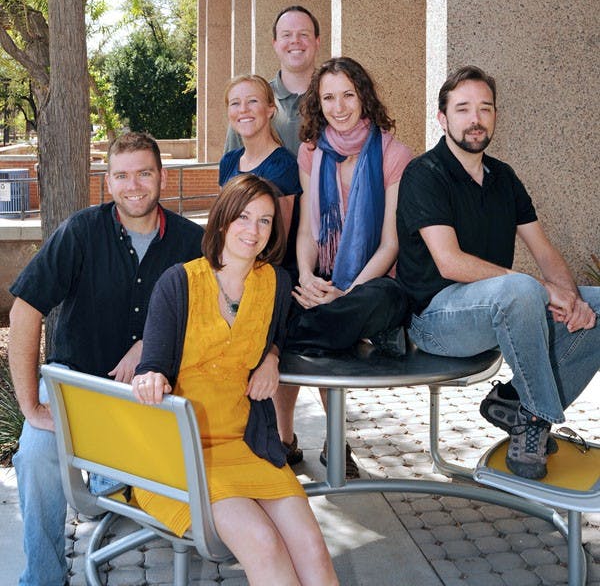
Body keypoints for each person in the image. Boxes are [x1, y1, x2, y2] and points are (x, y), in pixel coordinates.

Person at [9, 131, 206, 586]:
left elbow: (212, 323)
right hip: (76, 388)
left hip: (152, 397)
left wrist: (151, 345)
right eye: (122, 175)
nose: (133, 185)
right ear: (108, 181)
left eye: (144, 173)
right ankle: (43, 576)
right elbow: (25, 310)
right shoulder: (80, 231)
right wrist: (30, 407)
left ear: (160, 176)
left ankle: (109, 480)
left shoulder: (192, 243)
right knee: (36, 455)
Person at [132, 174, 339, 586]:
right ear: (223, 221)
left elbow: (277, 332)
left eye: (265, 221)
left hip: (247, 445)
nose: (254, 230)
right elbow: (151, 363)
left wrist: (271, 359)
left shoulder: (276, 283)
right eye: (244, 217)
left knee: (312, 546)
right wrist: (149, 379)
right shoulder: (179, 283)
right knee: (263, 543)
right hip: (182, 454)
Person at [395, 65, 600, 480]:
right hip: (434, 321)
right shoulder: (424, 173)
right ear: (442, 117)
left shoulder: (503, 177)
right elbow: (449, 262)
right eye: (464, 108)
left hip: (499, 309)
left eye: (485, 109)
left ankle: (515, 405)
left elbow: (543, 251)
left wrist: (571, 299)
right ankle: (536, 420)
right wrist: (543, 292)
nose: (476, 119)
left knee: (597, 304)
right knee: (520, 289)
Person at [276, 57, 413, 476]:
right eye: (329, 97)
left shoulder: (393, 153)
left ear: (363, 96)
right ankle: (289, 440)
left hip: (373, 286)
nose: (339, 106)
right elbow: (306, 231)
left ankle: (291, 333)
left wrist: (345, 294)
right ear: (318, 102)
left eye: (348, 95)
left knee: (303, 320)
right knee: (289, 294)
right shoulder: (311, 151)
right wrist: (304, 276)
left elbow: (390, 244)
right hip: (323, 278)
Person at [220, 74, 302, 280]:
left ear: (270, 110)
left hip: (268, 275)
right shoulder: (229, 161)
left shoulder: (284, 166)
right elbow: (222, 225)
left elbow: (277, 245)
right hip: (232, 268)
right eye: (235, 103)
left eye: (252, 101)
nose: (243, 109)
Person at [224, 5, 321, 156]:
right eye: (286, 35)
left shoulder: (335, 99)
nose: (295, 41)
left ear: (317, 41)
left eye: (304, 34)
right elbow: (232, 175)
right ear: (275, 44)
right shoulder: (251, 102)